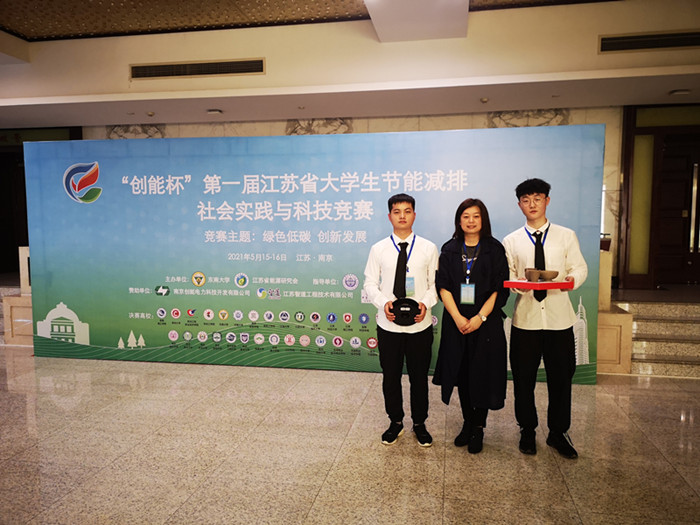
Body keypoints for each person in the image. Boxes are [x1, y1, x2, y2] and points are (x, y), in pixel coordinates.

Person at [502, 178, 587, 459]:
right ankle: (527, 429)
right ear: (519, 205)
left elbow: (579, 267)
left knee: (561, 378)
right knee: (523, 378)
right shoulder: (511, 240)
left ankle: (558, 433)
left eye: (537, 199)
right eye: (526, 200)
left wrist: (572, 280)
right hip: (525, 320)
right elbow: (509, 274)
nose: (532, 204)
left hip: (559, 320)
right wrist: (519, 284)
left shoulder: (566, 236)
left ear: (547, 201)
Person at [432, 198, 509, 454]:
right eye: (466, 216)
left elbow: (499, 288)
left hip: (485, 322)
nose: (471, 221)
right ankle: (467, 422)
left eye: (476, 216)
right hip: (457, 322)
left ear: (483, 219)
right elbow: (443, 285)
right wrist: (456, 317)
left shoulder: (494, 249)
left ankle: (478, 427)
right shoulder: (450, 248)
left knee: (482, 373)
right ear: (459, 220)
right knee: (462, 374)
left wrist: (480, 318)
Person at [363, 193, 439, 447]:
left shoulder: (428, 248)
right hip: (388, 325)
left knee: (419, 377)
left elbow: (435, 285)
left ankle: (420, 424)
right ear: (389, 216)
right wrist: (382, 302)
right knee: (391, 376)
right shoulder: (379, 249)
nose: (402, 216)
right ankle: (395, 422)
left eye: (407, 211)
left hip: (420, 324)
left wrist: (425, 303)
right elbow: (369, 283)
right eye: (397, 212)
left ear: (414, 215)